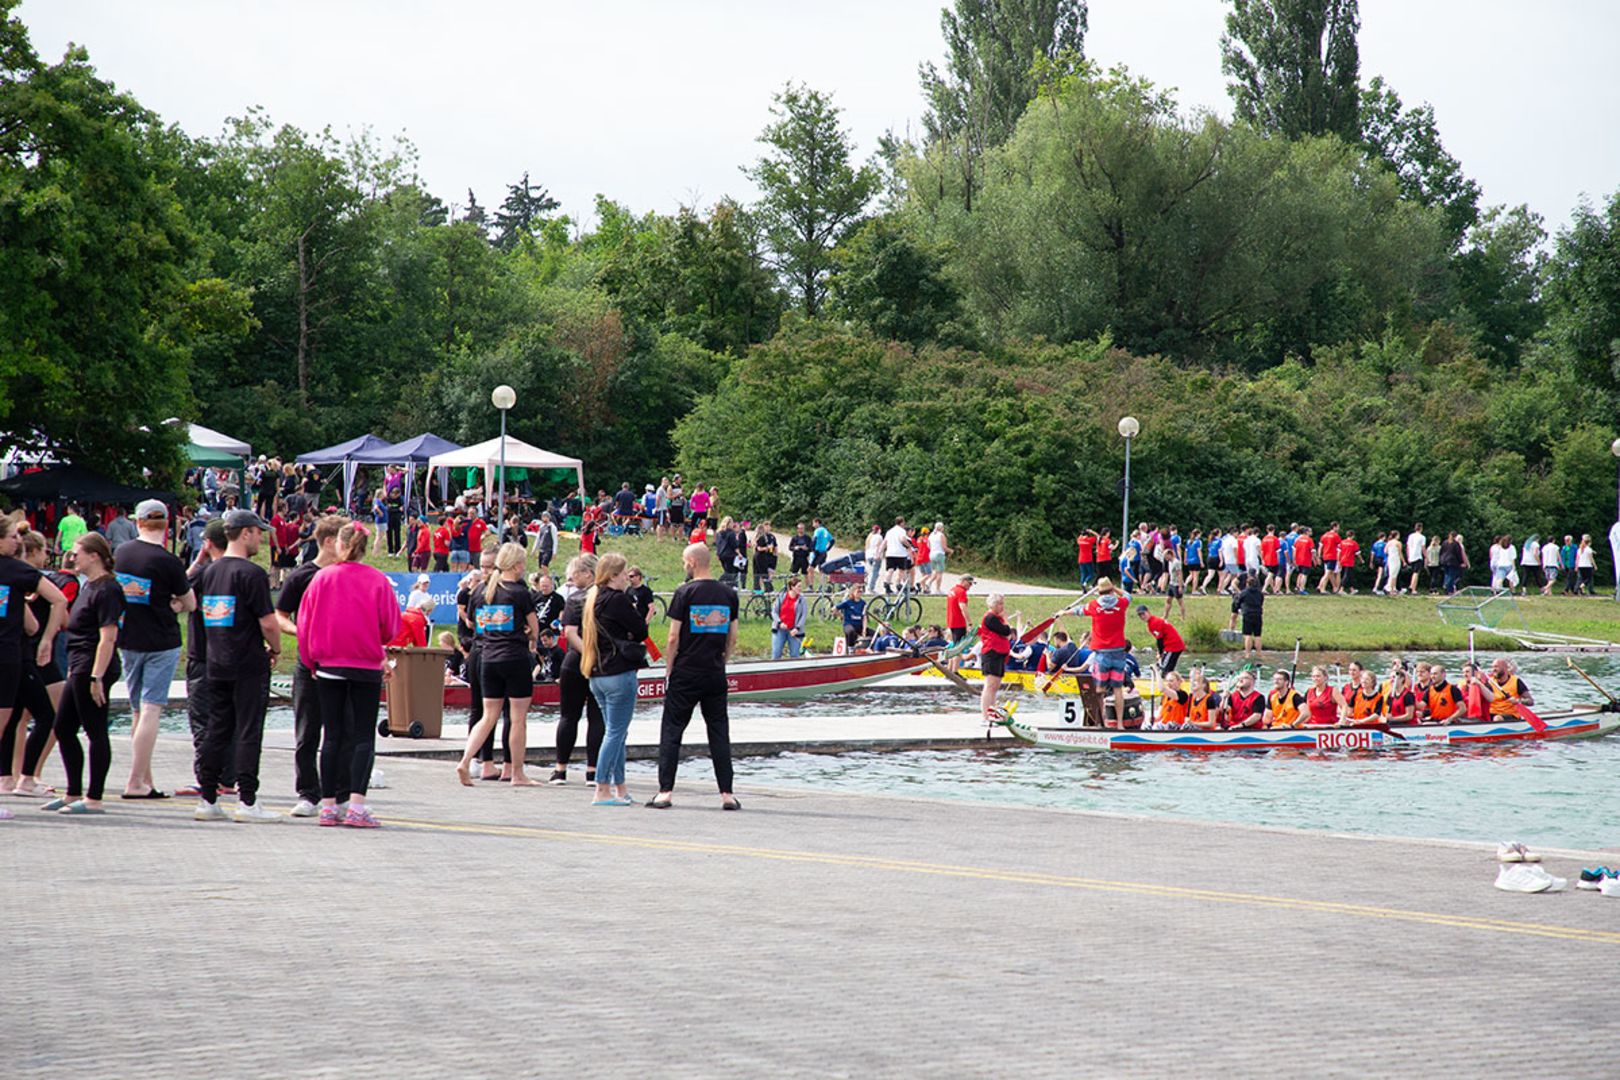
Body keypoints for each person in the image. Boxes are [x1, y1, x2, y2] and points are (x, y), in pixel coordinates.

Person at [296, 521, 401, 827]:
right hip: (365, 664)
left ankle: (328, 806)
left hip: (329, 664)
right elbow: (391, 627)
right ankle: (356, 805)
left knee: (331, 735)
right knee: (362, 737)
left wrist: (311, 663)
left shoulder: (321, 578)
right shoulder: (377, 580)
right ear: (364, 548)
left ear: (339, 545)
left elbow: (304, 624)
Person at [192, 510, 282, 822]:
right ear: (245, 533)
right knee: (248, 730)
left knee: (217, 729)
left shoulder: (210, 572)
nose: (261, 539)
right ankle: (247, 800)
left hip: (216, 660)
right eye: (258, 533)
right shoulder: (251, 574)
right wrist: (276, 648)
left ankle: (208, 798)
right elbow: (268, 622)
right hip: (247, 661)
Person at [646, 543, 742, 810]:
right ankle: (727, 794)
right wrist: (723, 660)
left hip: (686, 671)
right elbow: (733, 637)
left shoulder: (684, 592)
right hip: (714, 672)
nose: (683, 565)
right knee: (719, 731)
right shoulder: (728, 594)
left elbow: (673, 636)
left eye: (684, 561)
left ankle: (665, 792)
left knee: (672, 730)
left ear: (692, 562)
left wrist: (669, 669)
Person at [114, 499, 196, 800]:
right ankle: (136, 780)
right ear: (166, 525)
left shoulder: (121, 554)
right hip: (161, 639)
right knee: (151, 708)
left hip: (129, 637)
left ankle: (144, 778)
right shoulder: (168, 561)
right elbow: (190, 603)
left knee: (137, 709)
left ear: (138, 522)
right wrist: (174, 603)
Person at [40, 533, 124, 815]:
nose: (71, 557)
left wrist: (96, 677)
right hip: (79, 664)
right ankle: (73, 791)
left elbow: (108, 637)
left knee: (95, 729)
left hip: (92, 666)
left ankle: (94, 797)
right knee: (63, 727)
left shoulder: (108, 589)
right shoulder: (89, 585)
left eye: (77, 553)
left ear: (94, 556)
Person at [275, 513, 346, 817]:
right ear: (329, 542)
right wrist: (301, 632)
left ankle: (341, 793)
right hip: (310, 662)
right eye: (344, 540)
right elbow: (280, 615)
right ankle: (308, 793)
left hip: (343, 662)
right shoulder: (302, 576)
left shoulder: (348, 574)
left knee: (342, 731)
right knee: (307, 732)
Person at [456, 542, 539, 787]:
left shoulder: (481, 590)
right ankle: (517, 774)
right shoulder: (519, 592)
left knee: (487, 716)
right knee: (517, 719)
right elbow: (534, 629)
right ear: (517, 565)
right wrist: (528, 633)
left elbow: (472, 622)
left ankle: (465, 760)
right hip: (514, 657)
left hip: (487, 658)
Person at [2, 531, 70, 798]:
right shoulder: (17, 571)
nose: (15, 540)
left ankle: (7, 777)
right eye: (10, 536)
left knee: (12, 718)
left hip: (16, 658)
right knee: (44, 715)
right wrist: (47, 640)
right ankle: (27, 777)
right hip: (14, 654)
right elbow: (56, 603)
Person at [582, 553, 647, 806]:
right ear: (612, 576)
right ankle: (601, 788)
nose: (627, 579)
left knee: (615, 732)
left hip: (596, 673)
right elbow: (641, 630)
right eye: (623, 575)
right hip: (619, 672)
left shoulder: (592, 597)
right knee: (616, 733)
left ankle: (621, 788)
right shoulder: (618, 599)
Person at [551, 555, 604, 786]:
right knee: (597, 717)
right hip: (601, 661)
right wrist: (596, 656)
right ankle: (592, 771)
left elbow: (570, 633)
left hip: (575, 660)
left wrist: (586, 654)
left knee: (568, 716)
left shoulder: (575, 599)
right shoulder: (607, 598)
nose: (571, 579)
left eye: (574, 574)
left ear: (588, 574)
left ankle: (560, 769)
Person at [1081, 579, 1132, 728]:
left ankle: (1101, 721)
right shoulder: (1121, 604)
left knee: (1100, 690)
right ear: (1111, 590)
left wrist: (1063, 612)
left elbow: (1079, 611)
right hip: (1118, 652)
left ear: (1099, 591)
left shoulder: (1094, 605)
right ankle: (1120, 724)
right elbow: (1129, 596)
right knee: (1117, 689)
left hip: (1102, 654)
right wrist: (1115, 588)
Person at [977, 593, 1016, 725]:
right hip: (992, 653)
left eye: (1002, 603)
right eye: (999, 604)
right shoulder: (990, 618)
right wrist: (1006, 619)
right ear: (993, 605)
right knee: (990, 685)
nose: (1002, 607)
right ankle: (985, 716)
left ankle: (992, 713)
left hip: (999, 653)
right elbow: (1006, 631)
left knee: (995, 686)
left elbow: (1007, 636)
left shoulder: (997, 619)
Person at [1134, 606, 1184, 673]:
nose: (1142, 616)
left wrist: (1161, 653)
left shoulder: (1154, 622)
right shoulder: (1153, 621)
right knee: (1169, 668)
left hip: (1172, 646)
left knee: (1164, 669)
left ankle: (1167, 678)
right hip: (1175, 645)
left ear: (1148, 612)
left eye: (1143, 613)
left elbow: (1160, 640)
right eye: (1140, 615)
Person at [770, 576, 808, 659]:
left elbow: (803, 615)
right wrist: (779, 623)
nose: (800, 589)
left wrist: (797, 628)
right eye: (798, 586)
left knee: (795, 655)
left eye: (801, 586)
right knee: (776, 653)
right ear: (792, 587)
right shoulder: (781, 597)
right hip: (780, 629)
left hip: (794, 631)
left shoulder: (802, 600)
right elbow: (774, 612)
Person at [1229, 574, 1265, 658]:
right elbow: (1261, 602)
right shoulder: (1260, 593)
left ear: (1247, 584)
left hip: (1247, 614)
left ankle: (1248, 654)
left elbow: (1237, 602)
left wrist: (1238, 607)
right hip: (1258, 614)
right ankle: (1259, 653)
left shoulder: (1244, 593)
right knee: (1257, 635)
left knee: (1248, 635)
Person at [883, 516, 912, 591]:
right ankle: (898, 583)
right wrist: (909, 545)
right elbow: (902, 539)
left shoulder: (889, 531)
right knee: (901, 570)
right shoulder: (901, 531)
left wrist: (880, 551)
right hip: (900, 553)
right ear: (902, 522)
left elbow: (885, 542)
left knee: (890, 569)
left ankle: (886, 583)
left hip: (890, 553)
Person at [835, 583, 867, 651]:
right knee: (851, 632)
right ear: (853, 592)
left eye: (861, 592)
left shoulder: (863, 603)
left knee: (875, 634)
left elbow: (864, 617)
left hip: (859, 625)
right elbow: (834, 609)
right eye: (858, 592)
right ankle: (850, 648)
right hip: (849, 624)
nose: (859, 593)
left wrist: (864, 630)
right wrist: (841, 616)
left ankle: (871, 649)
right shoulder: (848, 602)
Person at [811, 518, 834, 589]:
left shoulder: (818, 530)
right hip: (824, 552)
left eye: (813, 523)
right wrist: (828, 548)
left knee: (810, 569)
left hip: (818, 552)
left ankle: (810, 586)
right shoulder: (825, 530)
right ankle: (822, 586)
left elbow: (814, 539)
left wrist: (812, 549)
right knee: (822, 569)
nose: (812, 525)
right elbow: (832, 540)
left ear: (817, 522)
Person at [1405, 524, 1427, 595]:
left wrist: (1408, 556)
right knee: (1416, 572)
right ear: (1421, 529)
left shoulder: (1411, 536)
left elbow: (1407, 547)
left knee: (1413, 572)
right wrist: (1426, 556)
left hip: (1411, 556)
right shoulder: (1422, 537)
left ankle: (1411, 586)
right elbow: (1423, 548)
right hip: (1417, 556)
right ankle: (1413, 588)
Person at [863, 525, 884, 592]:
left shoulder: (870, 536)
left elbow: (866, 546)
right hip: (875, 555)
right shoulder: (879, 536)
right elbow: (878, 546)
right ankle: (871, 588)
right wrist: (878, 554)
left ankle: (867, 586)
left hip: (868, 555)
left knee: (870, 571)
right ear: (879, 530)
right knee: (875, 572)